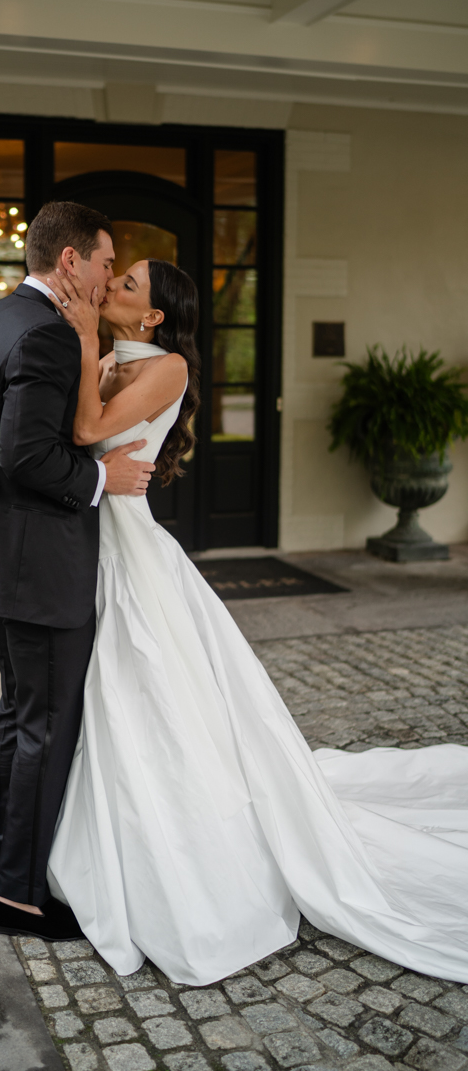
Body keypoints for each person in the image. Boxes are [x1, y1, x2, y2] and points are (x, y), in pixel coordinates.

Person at [41, 254, 468, 986]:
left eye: (129, 284)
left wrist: (81, 340)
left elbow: (86, 431)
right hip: (96, 542)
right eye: (118, 276)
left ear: (153, 318)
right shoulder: (114, 358)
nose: (111, 285)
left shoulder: (165, 367)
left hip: (131, 548)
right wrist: (88, 350)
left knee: (145, 691)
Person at [0, 201, 156, 942]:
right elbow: (24, 455)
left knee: (19, 717)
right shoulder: (49, 337)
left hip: (0, 558)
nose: (105, 278)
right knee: (46, 726)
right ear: (70, 262)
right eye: (103, 263)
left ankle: (10, 871)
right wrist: (102, 482)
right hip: (41, 564)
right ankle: (20, 900)